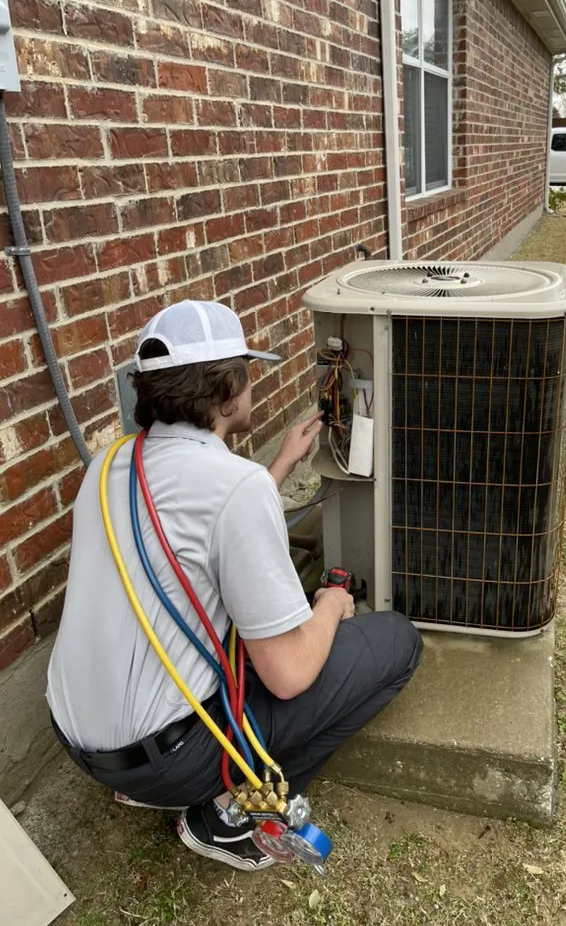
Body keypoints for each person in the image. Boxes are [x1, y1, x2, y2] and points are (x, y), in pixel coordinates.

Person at [46, 299, 422, 872]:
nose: (251, 387)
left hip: (77, 739)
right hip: (170, 757)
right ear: (226, 393)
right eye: (246, 374)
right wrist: (331, 604)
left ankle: (151, 785)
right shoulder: (234, 487)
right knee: (396, 641)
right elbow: (290, 674)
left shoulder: (106, 466)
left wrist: (279, 467)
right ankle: (231, 811)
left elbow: (190, 533)